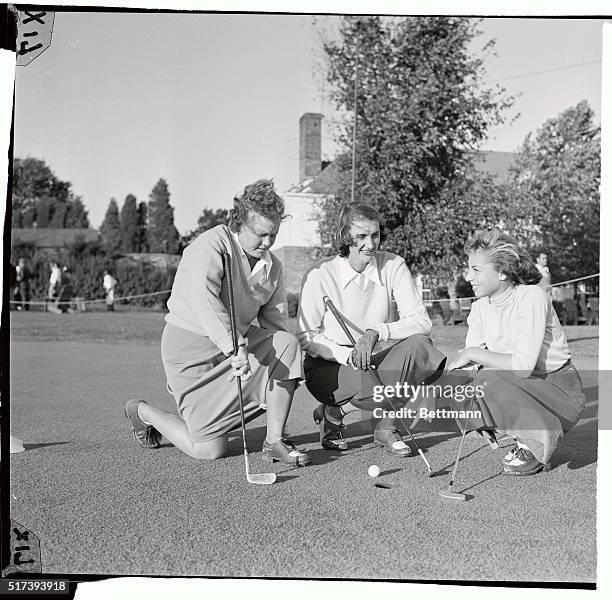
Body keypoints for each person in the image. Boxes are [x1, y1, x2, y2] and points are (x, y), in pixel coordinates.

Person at [124, 178, 311, 465]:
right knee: (210, 449)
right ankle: (144, 412)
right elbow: (204, 300)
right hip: (190, 351)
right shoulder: (211, 244)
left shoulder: (273, 266)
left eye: (273, 234)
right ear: (239, 223)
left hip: (236, 350)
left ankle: (274, 441)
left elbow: (275, 322)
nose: (268, 242)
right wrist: (233, 346)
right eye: (260, 234)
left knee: (287, 346)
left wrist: (289, 368)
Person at [296, 203, 446, 456]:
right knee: (388, 380)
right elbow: (306, 336)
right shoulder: (319, 274)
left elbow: (421, 322)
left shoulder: (394, 265)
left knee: (421, 348)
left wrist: (376, 331)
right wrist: (349, 356)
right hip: (328, 367)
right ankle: (335, 411)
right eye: (361, 236)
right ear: (345, 236)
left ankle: (372, 424)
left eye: (375, 235)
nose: (370, 244)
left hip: (374, 359)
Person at [444, 229, 585, 476]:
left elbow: (522, 365)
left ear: (502, 272)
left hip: (561, 391)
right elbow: (472, 364)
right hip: (526, 385)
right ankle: (526, 436)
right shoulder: (478, 309)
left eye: (476, 270)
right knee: (467, 384)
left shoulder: (531, 296)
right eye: (469, 269)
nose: (468, 277)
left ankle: (539, 439)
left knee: (490, 379)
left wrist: (473, 353)